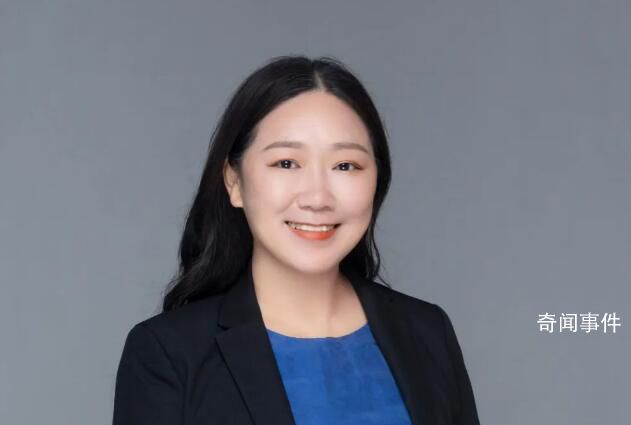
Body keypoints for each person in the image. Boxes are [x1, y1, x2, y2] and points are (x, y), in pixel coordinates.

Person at [112, 55, 481, 425]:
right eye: (286, 163)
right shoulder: (169, 353)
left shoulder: (427, 332)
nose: (317, 198)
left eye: (345, 166)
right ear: (234, 182)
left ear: (376, 181)